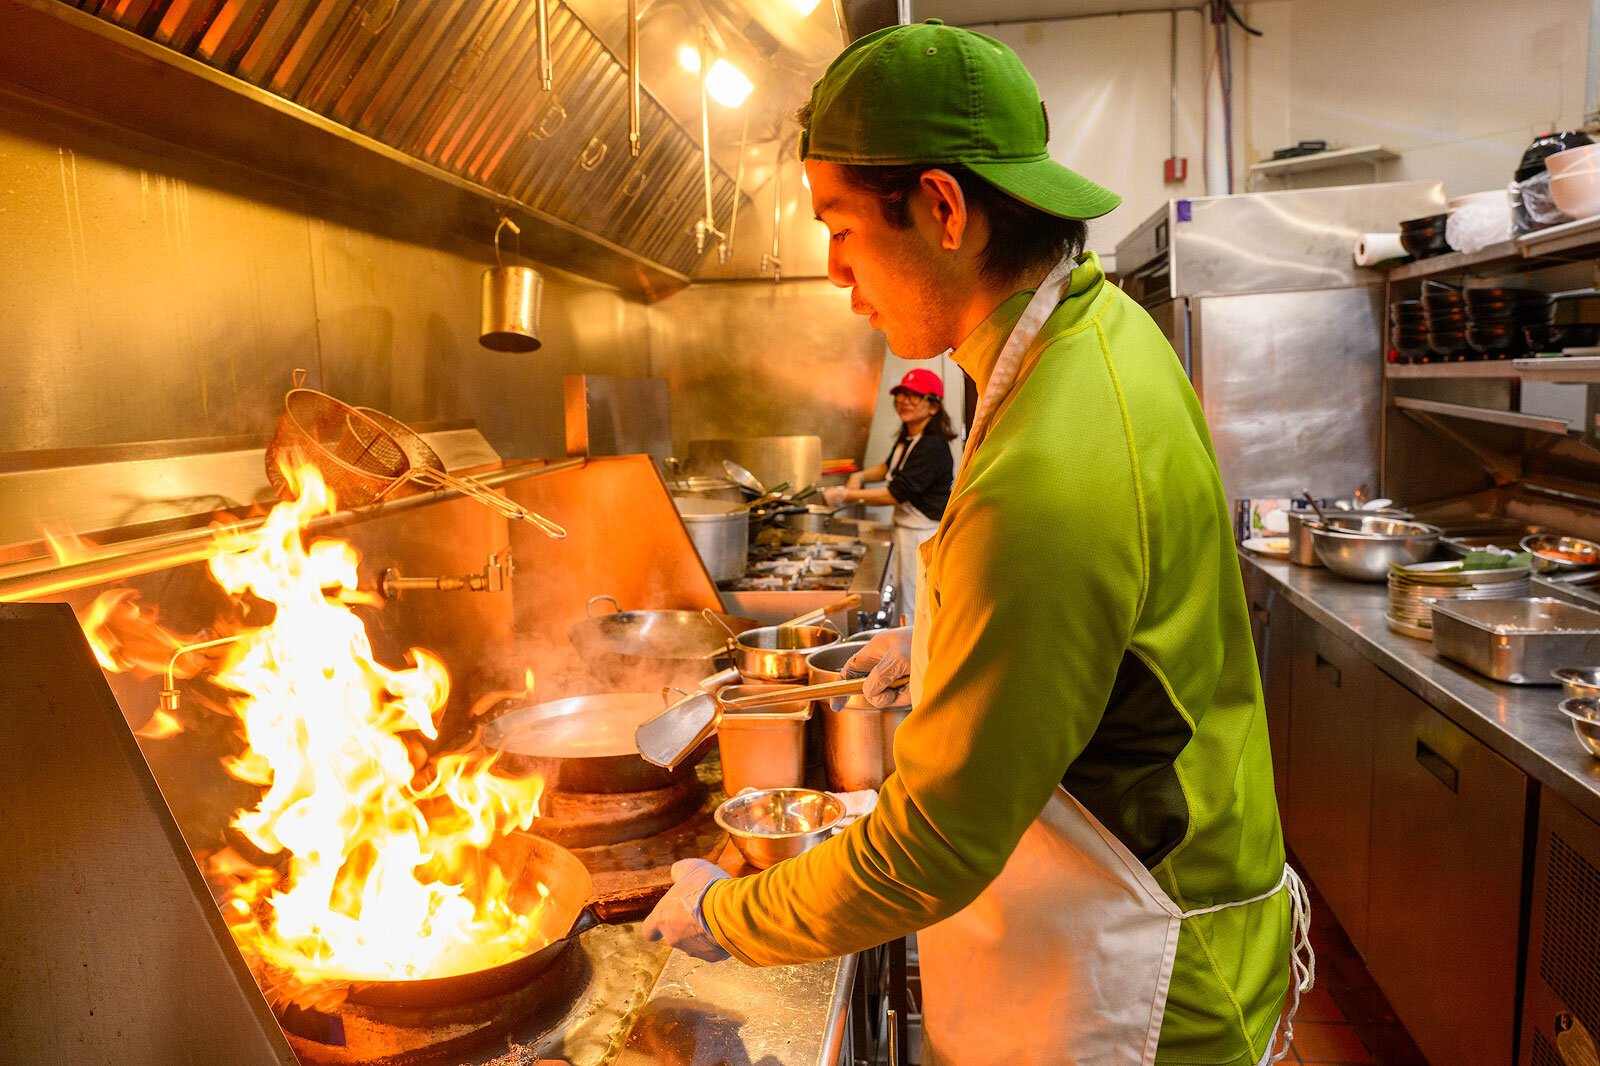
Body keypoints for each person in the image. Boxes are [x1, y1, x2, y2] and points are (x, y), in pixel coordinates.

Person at [643, 20, 1306, 1066]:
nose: (832, 270)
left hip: (1136, 994)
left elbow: (933, 847)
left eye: (843, 226)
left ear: (942, 208)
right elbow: (1102, 628)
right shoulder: (1089, 338)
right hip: (1150, 926)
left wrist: (730, 911)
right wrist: (943, 644)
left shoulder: (1048, 465)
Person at [822, 367, 955, 619]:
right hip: (905, 532)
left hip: (922, 537)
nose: (904, 401)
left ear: (933, 407)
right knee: (904, 601)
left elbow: (895, 494)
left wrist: (844, 495)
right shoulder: (910, 438)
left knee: (916, 609)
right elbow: (887, 468)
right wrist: (859, 476)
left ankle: (913, 658)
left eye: (914, 396)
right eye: (901, 395)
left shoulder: (932, 447)